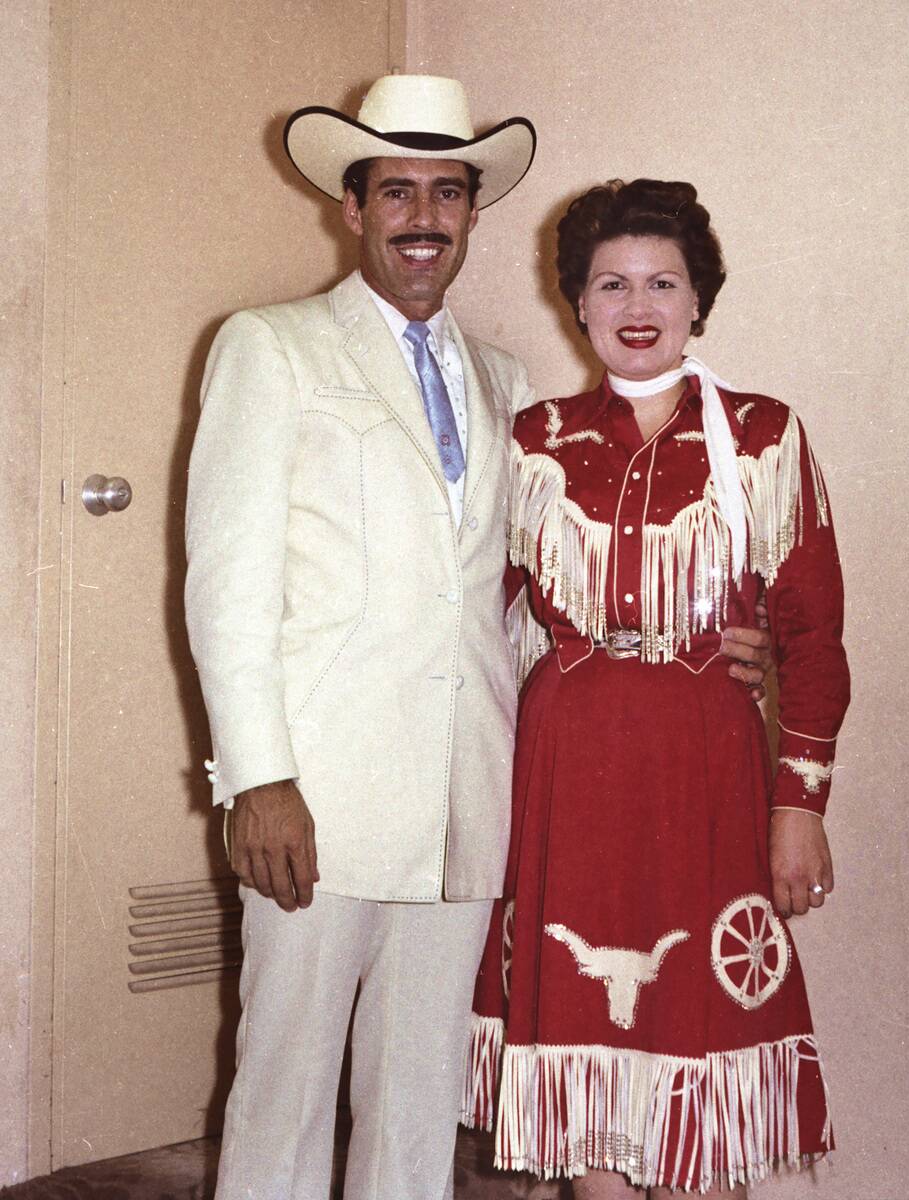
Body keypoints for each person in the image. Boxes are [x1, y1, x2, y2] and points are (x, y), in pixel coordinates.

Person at [185, 78, 772, 1200]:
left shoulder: (508, 388)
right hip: (319, 796)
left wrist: (709, 641)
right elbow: (226, 586)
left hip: (468, 799)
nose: (423, 214)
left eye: (447, 192)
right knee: (284, 1089)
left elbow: (528, 601)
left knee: (420, 1099)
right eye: (395, 189)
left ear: (471, 214)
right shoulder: (273, 348)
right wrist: (258, 777)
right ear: (350, 209)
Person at [462, 179, 851, 1198]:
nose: (638, 307)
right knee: (590, 1088)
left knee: (700, 1072)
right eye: (612, 284)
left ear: (697, 302)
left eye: (662, 283)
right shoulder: (532, 441)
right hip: (567, 770)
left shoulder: (766, 436)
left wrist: (798, 807)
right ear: (577, 305)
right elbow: (471, 620)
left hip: (705, 767)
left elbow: (813, 641)